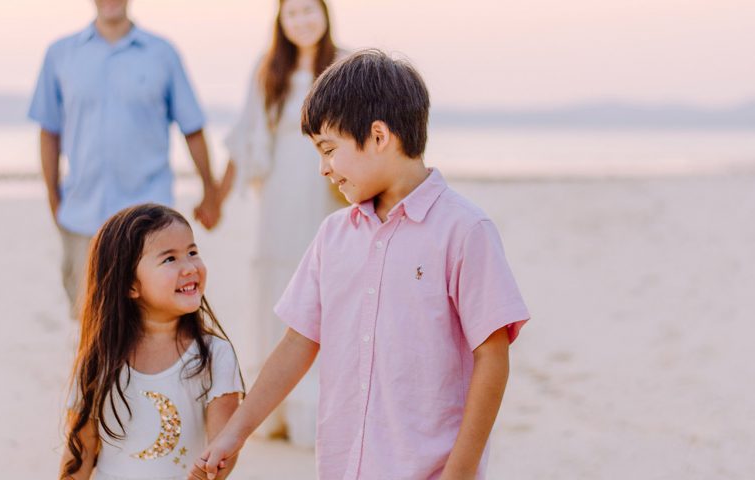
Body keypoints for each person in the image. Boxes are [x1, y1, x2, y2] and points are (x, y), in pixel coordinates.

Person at [198, 50, 530, 480]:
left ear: (378, 136)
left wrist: (460, 472)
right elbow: (297, 344)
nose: (322, 169)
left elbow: (493, 357)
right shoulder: (334, 235)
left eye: (329, 150)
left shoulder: (465, 231)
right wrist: (234, 433)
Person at [28, 0, 223, 319]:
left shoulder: (162, 53)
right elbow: (49, 131)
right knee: (90, 322)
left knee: (152, 319)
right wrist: (52, 194)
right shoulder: (60, 54)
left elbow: (193, 128)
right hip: (83, 217)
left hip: (150, 220)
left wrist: (210, 193)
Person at [217, 0, 344, 447]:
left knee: (325, 288)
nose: (302, 20)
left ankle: (316, 413)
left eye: (309, 10)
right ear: (281, 21)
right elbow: (245, 131)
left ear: (325, 14)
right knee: (277, 286)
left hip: (326, 190)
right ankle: (276, 413)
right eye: (292, 13)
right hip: (277, 190)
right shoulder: (267, 67)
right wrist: (216, 193)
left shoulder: (344, 64)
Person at [60, 204, 243, 480]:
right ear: (130, 285)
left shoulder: (214, 355)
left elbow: (222, 453)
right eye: (170, 259)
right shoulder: (100, 358)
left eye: (192, 252)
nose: (189, 267)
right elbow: (80, 451)